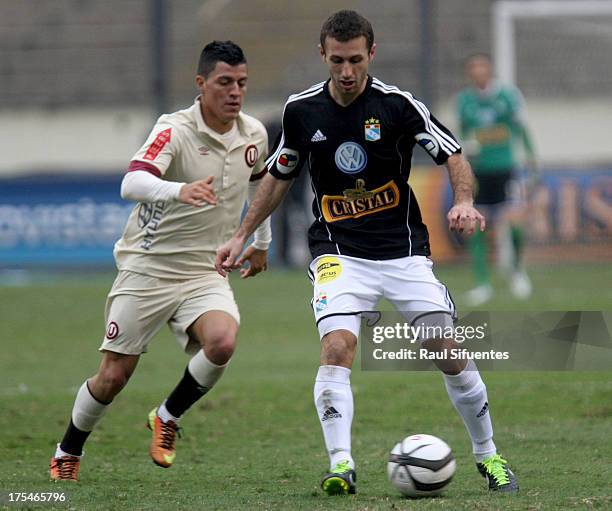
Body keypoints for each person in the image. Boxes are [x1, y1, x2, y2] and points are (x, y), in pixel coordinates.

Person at [216, 10, 518, 496]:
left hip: (403, 253)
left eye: (356, 59)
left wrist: (463, 201)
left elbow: (454, 155)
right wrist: (243, 234)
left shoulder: (398, 106)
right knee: (338, 345)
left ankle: (489, 456)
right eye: (337, 60)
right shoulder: (302, 112)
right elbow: (279, 176)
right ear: (323, 55)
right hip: (338, 252)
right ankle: (342, 465)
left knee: (446, 349)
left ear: (370, 54)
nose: (347, 70)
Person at [49, 40, 271, 481]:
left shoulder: (255, 134)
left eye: (242, 83)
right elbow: (132, 182)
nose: (235, 92)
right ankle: (68, 448)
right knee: (113, 376)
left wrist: (259, 240)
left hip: (204, 270)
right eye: (225, 82)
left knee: (223, 342)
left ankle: (167, 416)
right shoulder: (174, 129)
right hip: (147, 269)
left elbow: (261, 184)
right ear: (201, 83)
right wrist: (178, 189)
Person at [457, 53, 537, 305]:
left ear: (489, 70)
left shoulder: (508, 96)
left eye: (482, 67)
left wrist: (531, 155)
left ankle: (517, 273)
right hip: (479, 172)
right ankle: (483, 284)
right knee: (476, 228)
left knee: (514, 223)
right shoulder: (464, 101)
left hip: (506, 168)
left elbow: (521, 127)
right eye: (474, 68)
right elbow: (463, 134)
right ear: (470, 73)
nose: (478, 72)